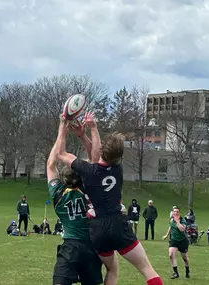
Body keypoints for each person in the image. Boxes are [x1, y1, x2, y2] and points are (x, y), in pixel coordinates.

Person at [57, 113, 164, 285]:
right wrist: (90, 131)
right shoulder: (117, 169)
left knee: (112, 269)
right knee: (146, 269)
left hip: (97, 229)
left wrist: (65, 124)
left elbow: (61, 153)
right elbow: (97, 155)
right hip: (117, 223)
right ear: (119, 156)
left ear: (102, 151)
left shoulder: (89, 171)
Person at [47, 116, 103, 285]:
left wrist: (62, 128)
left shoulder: (58, 194)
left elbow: (51, 164)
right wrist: (91, 131)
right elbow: (95, 159)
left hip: (70, 248)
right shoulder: (89, 191)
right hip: (91, 247)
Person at [163, 206, 190, 279]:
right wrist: (166, 235)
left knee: (185, 258)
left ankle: (187, 269)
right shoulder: (171, 220)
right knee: (171, 255)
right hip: (174, 240)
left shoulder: (183, 220)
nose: (175, 213)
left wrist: (177, 221)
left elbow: (182, 229)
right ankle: (176, 273)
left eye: (177, 211)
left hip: (182, 240)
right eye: (174, 211)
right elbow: (170, 227)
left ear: (179, 213)